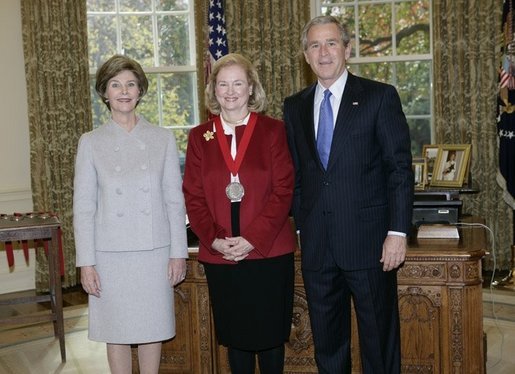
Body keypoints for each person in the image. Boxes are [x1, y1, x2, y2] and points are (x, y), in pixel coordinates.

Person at [283, 16, 414, 374]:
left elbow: (399, 169)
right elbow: (297, 175)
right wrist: (301, 225)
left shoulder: (378, 96)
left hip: (370, 244)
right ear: (305, 55)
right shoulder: (293, 106)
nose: (323, 52)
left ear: (347, 49)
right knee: (328, 345)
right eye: (314, 45)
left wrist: (397, 232)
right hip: (318, 246)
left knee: (378, 342)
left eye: (331, 43)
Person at [73, 54, 188, 374]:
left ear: (140, 91)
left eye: (131, 84)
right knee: (117, 330)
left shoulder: (162, 138)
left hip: (155, 252)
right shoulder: (91, 143)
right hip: (110, 255)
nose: (124, 91)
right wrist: (86, 262)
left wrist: (179, 252)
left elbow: (174, 201)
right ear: (104, 92)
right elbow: (83, 208)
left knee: (153, 327)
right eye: (115, 84)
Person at [182, 53, 296, 374]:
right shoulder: (199, 137)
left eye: (238, 83)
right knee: (236, 339)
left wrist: (252, 239)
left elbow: (284, 190)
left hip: (267, 254)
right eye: (222, 84)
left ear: (251, 89)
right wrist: (216, 241)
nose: (230, 91)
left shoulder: (274, 131)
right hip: (222, 257)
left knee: (271, 338)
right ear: (213, 90)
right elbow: (193, 195)